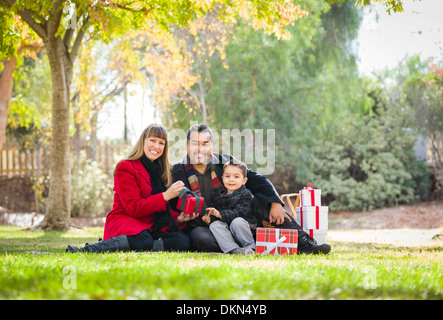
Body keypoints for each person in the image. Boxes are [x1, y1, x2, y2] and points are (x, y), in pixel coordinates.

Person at [171, 123, 331, 255]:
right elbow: (170, 205)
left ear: (211, 145)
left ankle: (304, 242)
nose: (200, 148)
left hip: (237, 218)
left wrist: (275, 203)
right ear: (187, 145)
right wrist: (180, 218)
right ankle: (244, 248)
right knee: (200, 237)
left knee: (260, 203)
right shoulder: (177, 171)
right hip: (208, 226)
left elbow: (256, 179)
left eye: (205, 143)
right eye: (195, 143)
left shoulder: (224, 161)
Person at [67, 124, 195, 253]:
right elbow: (133, 207)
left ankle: (135, 246)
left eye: (161, 143)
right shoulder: (126, 167)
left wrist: (179, 218)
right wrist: (166, 195)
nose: (157, 146)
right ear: (143, 141)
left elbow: (161, 210)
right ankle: (90, 249)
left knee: (182, 240)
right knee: (143, 240)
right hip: (127, 221)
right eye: (153, 140)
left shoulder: (160, 171)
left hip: (149, 227)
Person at [202, 160, 256, 255]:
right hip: (227, 230)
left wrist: (220, 214)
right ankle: (234, 250)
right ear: (222, 178)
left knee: (237, 221)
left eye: (236, 177)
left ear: (244, 181)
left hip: (242, 228)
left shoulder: (245, 194)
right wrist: (209, 218)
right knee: (214, 225)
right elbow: (215, 213)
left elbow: (240, 212)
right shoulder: (218, 193)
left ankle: (250, 248)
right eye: (227, 176)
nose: (231, 179)